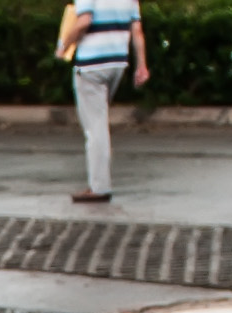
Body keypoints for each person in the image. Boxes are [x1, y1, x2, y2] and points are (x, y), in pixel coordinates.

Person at [54, 0, 144, 205]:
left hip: (91, 65)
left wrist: (63, 47)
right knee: (99, 122)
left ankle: (99, 187)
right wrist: (142, 65)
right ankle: (98, 183)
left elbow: (83, 22)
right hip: (118, 63)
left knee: (95, 128)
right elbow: (137, 31)